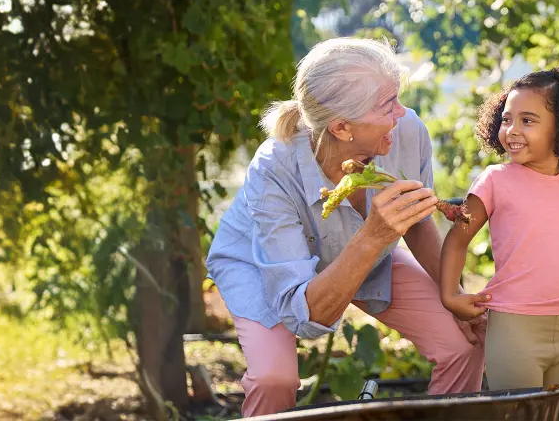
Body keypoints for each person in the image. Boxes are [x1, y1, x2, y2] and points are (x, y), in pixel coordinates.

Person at [205, 37, 485, 417]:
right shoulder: (274, 169)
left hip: (365, 249)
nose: (402, 112)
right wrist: (372, 237)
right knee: (275, 378)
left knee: (463, 342)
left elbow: (418, 222)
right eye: (388, 105)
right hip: (262, 264)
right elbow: (306, 317)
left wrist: (453, 296)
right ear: (341, 127)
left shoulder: (406, 131)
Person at [437, 67, 559, 390]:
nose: (511, 130)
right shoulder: (495, 181)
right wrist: (449, 295)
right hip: (515, 329)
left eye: (527, 120)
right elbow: (457, 240)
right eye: (506, 119)